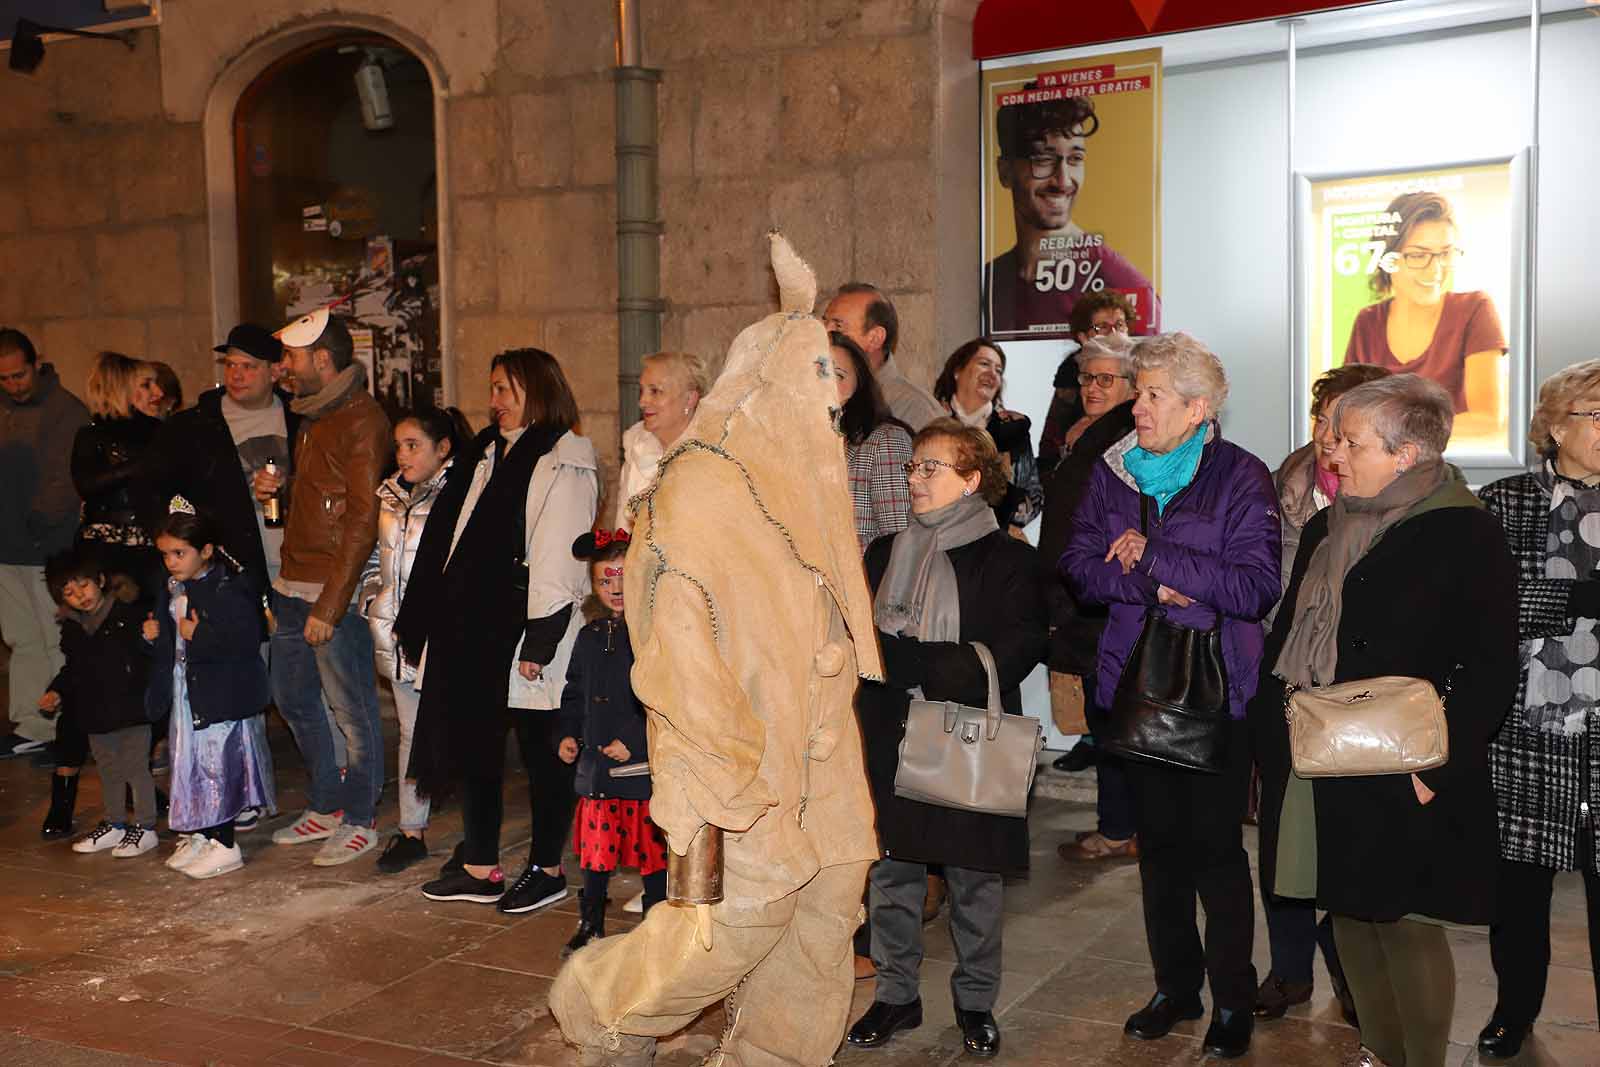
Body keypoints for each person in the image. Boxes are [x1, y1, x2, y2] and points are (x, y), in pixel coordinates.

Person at [550, 235, 883, 1067]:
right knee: (736, 925)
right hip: (742, 760)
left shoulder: (805, 486)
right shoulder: (697, 490)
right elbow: (674, 648)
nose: (831, 406)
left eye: (839, 382)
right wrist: (729, 770)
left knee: (825, 915)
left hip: (823, 756)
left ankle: (772, 1056)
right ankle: (605, 1007)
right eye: (817, 381)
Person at [1255, 374, 1517, 1067]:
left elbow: (1490, 668)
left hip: (1408, 761)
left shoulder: (1465, 528)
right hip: (1322, 753)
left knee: (1406, 923)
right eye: (1335, 437)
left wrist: (1435, 770)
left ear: (1407, 453)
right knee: (1347, 913)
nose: (1334, 453)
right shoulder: (1326, 523)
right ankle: (1378, 1050)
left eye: (1352, 442)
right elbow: (1287, 638)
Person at [1061, 332, 1280, 1059]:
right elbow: (1080, 566)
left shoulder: (1240, 476)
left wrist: (1154, 552)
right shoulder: (1113, 469)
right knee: (1158, 852)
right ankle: (1175, 988)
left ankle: (1232, 999)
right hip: (1133, 680)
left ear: (1198, 406)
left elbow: (1253, 586)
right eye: (1137, 390)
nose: (1138, 405)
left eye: (1152, 394)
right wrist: (1154, 581)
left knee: (1216, 853)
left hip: (1216, 687)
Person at [846, 418, 1048, 1059]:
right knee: (893, 873)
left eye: (931, 467)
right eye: (912, 468)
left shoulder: (1009, 557)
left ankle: (976, 1004)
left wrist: (914, 661)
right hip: (890, 728)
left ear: (971, 479)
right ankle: (896, 994)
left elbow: (1017, 649)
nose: (915, 478)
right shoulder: (884, 551)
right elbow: (857, 635)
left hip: (965, 735)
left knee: (974, 882)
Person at [400, 348, 597, 914]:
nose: (495, 402)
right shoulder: (485, 453)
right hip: (474, 628)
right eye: (492, 389)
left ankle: (548, 868)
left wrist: (541, 639)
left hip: (530, 624)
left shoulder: (564, 456)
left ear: (537, 390)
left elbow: (561, 554)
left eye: (506, 390)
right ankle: (480, 863)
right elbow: (455, 537)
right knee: (475, 745)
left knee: (541, 754)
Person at [1252, 364, 1388, 1025]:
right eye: (1319, 416)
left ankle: (1350, 965)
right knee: (1281, 838)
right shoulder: (1288, 483)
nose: (1324, 432)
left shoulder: (1394, 501)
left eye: (1339, 419)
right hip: (1285, 677)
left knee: (1346, 841)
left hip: (1355, 694)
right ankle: (1288, 969)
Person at [1475, 360, 1600, 1060]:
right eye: (1596, 413)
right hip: (1529, 730)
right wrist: (1577, 600)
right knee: (1519, 892)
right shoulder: (1506, 503)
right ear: (1555, 426)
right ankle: (1512, 1010)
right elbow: (1483, 608)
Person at [256, 308, 390, 866]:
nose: (282, 368)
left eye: (290, 358)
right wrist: (281, 490)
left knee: (352, 708)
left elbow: (363, 519)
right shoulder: (313, 414)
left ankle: (360, 818)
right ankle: (328, 804)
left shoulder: (363, 420)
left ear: (323, 360)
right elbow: (326, 502)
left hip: (331, 590)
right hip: (292, 582)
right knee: (293, 698)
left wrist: (331, 605)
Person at [359, 406, 472, 874]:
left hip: (441, 637)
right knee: (409, 733)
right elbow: (374, 560)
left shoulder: (461, 494)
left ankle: (475, 836)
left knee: (456, 734)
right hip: (395, 636)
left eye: (413, 445)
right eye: (399, 445)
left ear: (443, 449)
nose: (402, 455)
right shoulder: (387, 496)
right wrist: (373, 602)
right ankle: (412, 830)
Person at [1037, 335, 1138, 850]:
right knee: (1103, 716)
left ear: (1131, 385)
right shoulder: (1088, 433)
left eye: (1105, 379)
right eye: (1086, 378)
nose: (1092, 388)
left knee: (1113, 718)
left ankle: (1122, 829)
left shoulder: (1127, 438)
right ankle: (1118, 825)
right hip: (1080, 593)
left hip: (1102, 598)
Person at [144, 505, 277, 880]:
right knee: (191, 766)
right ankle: (202, 833)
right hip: (188, 694)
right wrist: (152, 636)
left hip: (219, 697)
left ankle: (224, 841)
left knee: (218, 767)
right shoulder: (174, 588)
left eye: (179, 553)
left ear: (205, 550)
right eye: (166, 554)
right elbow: (169, 638)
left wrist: (197, 634)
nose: (171, 562)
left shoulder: (227, 589)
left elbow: (246, 640)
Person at [555, 528, 668, 957]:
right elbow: (573, 692)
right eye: (605, 581)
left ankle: (656, 920)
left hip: (638, 773)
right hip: (598, 771)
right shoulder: (589, 635)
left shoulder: (651, 635)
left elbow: (663, 695)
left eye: (623, 578)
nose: (615, 589)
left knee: (651, 854)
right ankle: (590, 921)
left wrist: (636, 741)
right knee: (595, 856)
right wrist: (567, 733)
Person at [984, 93, 1159, 336]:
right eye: (1043, 159)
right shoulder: (990, 281)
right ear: (1005, 171)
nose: (1063, 180)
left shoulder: (1115, 280)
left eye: (1075, 159)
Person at [147, 323, 300, 597]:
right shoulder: (191, 427)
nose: (236, 375)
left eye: (248, 367)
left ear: (275, 371)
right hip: (228, 574)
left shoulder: (302, 419)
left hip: (298, 569)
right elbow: (157, 494)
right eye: (230, 365)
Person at [0, 327, 88, 764]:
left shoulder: (64, 410)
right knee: (22, 639)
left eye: (19, 375)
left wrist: (38, 522)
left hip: (46, 546)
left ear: (36, 365)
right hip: (6, 546)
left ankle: (65, 726)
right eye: (4, 379)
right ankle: (32, 723)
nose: (13, 385)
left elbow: (65, 479)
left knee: (56, 637)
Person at [1343, 191, 1507, 426]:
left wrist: (1389, 433)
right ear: (1387, 259)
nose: (1435, 271)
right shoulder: (1367, 322)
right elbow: (1346, 413)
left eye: (1445, 254)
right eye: (1418, 255)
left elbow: (1487, 418)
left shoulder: (1475, 309)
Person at [38, 547, 155, 858]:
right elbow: (73, 670)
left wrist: (149, 638)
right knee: (109, 771)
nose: (80, 596)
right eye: (70, 592)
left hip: (131, 711)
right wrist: (57, 691)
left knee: (136, 769)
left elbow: (148, 657)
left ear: (100, 580)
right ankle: (115, 823)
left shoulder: (127, 616)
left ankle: (145, 827)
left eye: (84, 585)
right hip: (96, 715)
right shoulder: (74, 630)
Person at [72, 351, 166, 597]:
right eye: (146, 385)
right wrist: (137, 465)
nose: (158, 393)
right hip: (105, 553)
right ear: (121, 389)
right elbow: (86, 484)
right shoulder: (91, 436)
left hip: (155, 548)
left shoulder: (162, 432)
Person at [933, 339, 1042, 533]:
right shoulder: (931, 420)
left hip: (992, 543)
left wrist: (1000, 513)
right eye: (984, 364)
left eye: (999, 370)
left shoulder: (1012, 430)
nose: (992, 374)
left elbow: (1033, 497)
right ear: (958, 371)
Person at [823, 282, 943, 432]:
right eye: (824, 322)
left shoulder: (916, 410)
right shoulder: (818, 391)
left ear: (875, 338)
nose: (824, 333)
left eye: (838, 326)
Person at [833, 332, 913, 553]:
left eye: (837, 375)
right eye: (815, 374)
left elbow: (899, 546)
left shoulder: (884, 442)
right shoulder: (790, 448)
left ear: (859, 384)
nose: (824, 385)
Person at [1039, 291, 1135, 474]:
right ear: (1083, 337)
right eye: (1103, 327)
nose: (1114, 332)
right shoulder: (1069, 374)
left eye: (1120, 324)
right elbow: (1050, 445)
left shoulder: (1143, 370)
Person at [615, 350, 709, 530]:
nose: (642, 401)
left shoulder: (709, 455)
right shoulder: (635, 446)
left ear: (689, 399)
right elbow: (623, 529)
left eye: (655, 391)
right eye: (641, 390)